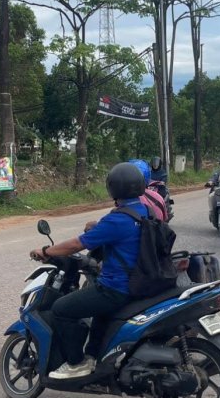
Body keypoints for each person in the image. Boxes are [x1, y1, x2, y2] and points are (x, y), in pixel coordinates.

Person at [29, 162, 147, 380]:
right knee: (99, 314)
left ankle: (75, 363)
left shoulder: (118, 219)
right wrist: (98, 227)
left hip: (115, 288)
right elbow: (115, 233)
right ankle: (93, 355)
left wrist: (46, 250)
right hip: (136, 284)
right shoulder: (142, 211)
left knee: (61, 308)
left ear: (113, 188)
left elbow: (76, 245)